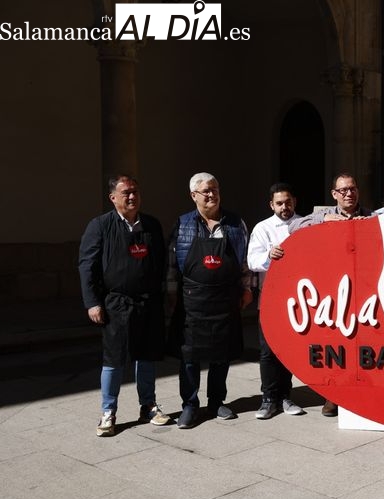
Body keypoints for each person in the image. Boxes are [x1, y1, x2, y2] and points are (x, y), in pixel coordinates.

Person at [78, 175, 171, 437]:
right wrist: (92, 303)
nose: (132, 197)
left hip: (148, 302)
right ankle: (108, 411)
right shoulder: (100, 226)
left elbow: (160, 262)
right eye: (126, 193)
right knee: (114, 359)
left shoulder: (151, 224)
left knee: (147, 355)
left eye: (135, 192)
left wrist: (163, 293)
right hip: (116, 303)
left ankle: (148, 405)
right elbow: (87, 266)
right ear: (113, 198)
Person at [168, 172, 254, 429]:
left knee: (221, 354)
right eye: (206, 190)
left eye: (215, 189)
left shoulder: (235, 223)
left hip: (225, 298)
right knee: (190, 356)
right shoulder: (183, 224)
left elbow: (245, 260)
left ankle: (216, 401)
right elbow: (172, 265)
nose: (211, 194)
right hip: (193, 300)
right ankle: (190, 405)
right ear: (193, 195)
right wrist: (172, 293)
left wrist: (247, 288)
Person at [289, 172, 373, 416]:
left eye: (353, 189)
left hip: (365, 289)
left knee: (364, 344)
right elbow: (295, 226)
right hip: (335, 290)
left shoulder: (371, 215)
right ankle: (332, 396)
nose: (349, 193)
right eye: (344, 190)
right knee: (336, 346)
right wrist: (325, 219)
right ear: (334, 194)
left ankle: (361, 394)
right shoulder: (322, 215)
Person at [247, 182, 306, 419]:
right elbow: (252, 261)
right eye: (279, 203)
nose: (284, 207)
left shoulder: (305, 224)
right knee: (268, 352)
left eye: (288, 202)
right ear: (271, 205)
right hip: (270, 299)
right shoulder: (263, 228)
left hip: (298, 299)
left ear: (295, 201)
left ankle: (285, 396)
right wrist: (269, 256)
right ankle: (268, 398)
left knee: (288, 350)